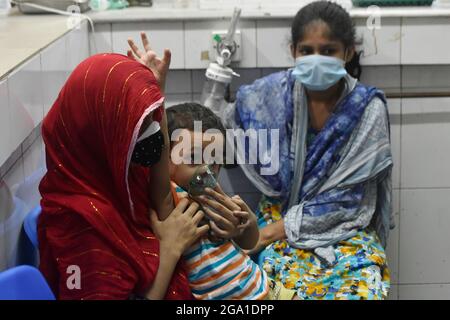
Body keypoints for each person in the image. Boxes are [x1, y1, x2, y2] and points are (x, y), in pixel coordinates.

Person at [38, 51, 208, 300]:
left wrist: (154, 100)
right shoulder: (82, 223)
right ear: (102, 129)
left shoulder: (119, 174)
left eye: (151, 118)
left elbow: (162, 198)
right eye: (139, 122)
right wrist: (170, 249)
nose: (151, 128)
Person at [163, 102, 296, 300]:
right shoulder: (170, 197)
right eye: (193, 158)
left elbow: (250, 244)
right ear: (164, 160)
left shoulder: (213, 195)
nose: (206, 169)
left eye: (215, 160)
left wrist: (246, 225)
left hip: (262, 286)